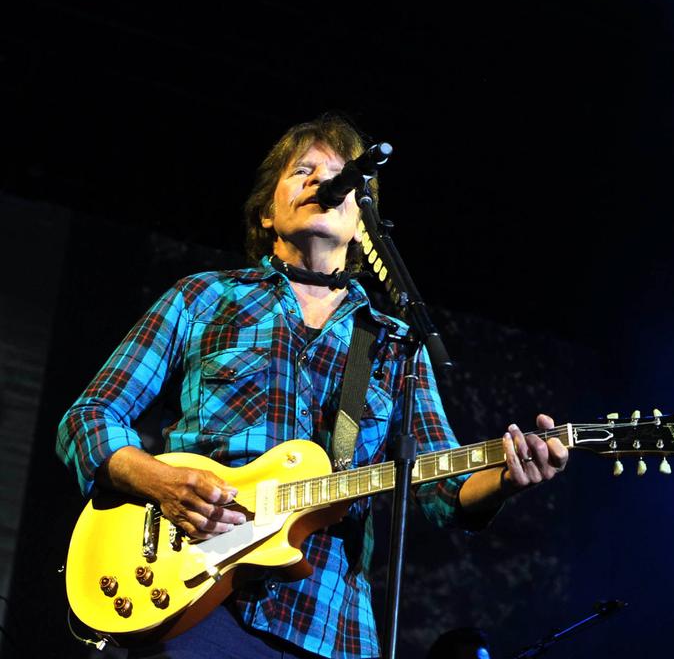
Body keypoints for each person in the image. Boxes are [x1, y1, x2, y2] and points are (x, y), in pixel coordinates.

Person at [55, 115, 569, 659]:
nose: (323, 181)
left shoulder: (395, 345)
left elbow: (440, 488)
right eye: (303, 171)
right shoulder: (202, 298)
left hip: (330, 627)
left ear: (362, 223)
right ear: (265, 212)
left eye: (340, 175)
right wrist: (161, 481)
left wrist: (508, 478)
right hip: (194, 602)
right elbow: (88, 417)